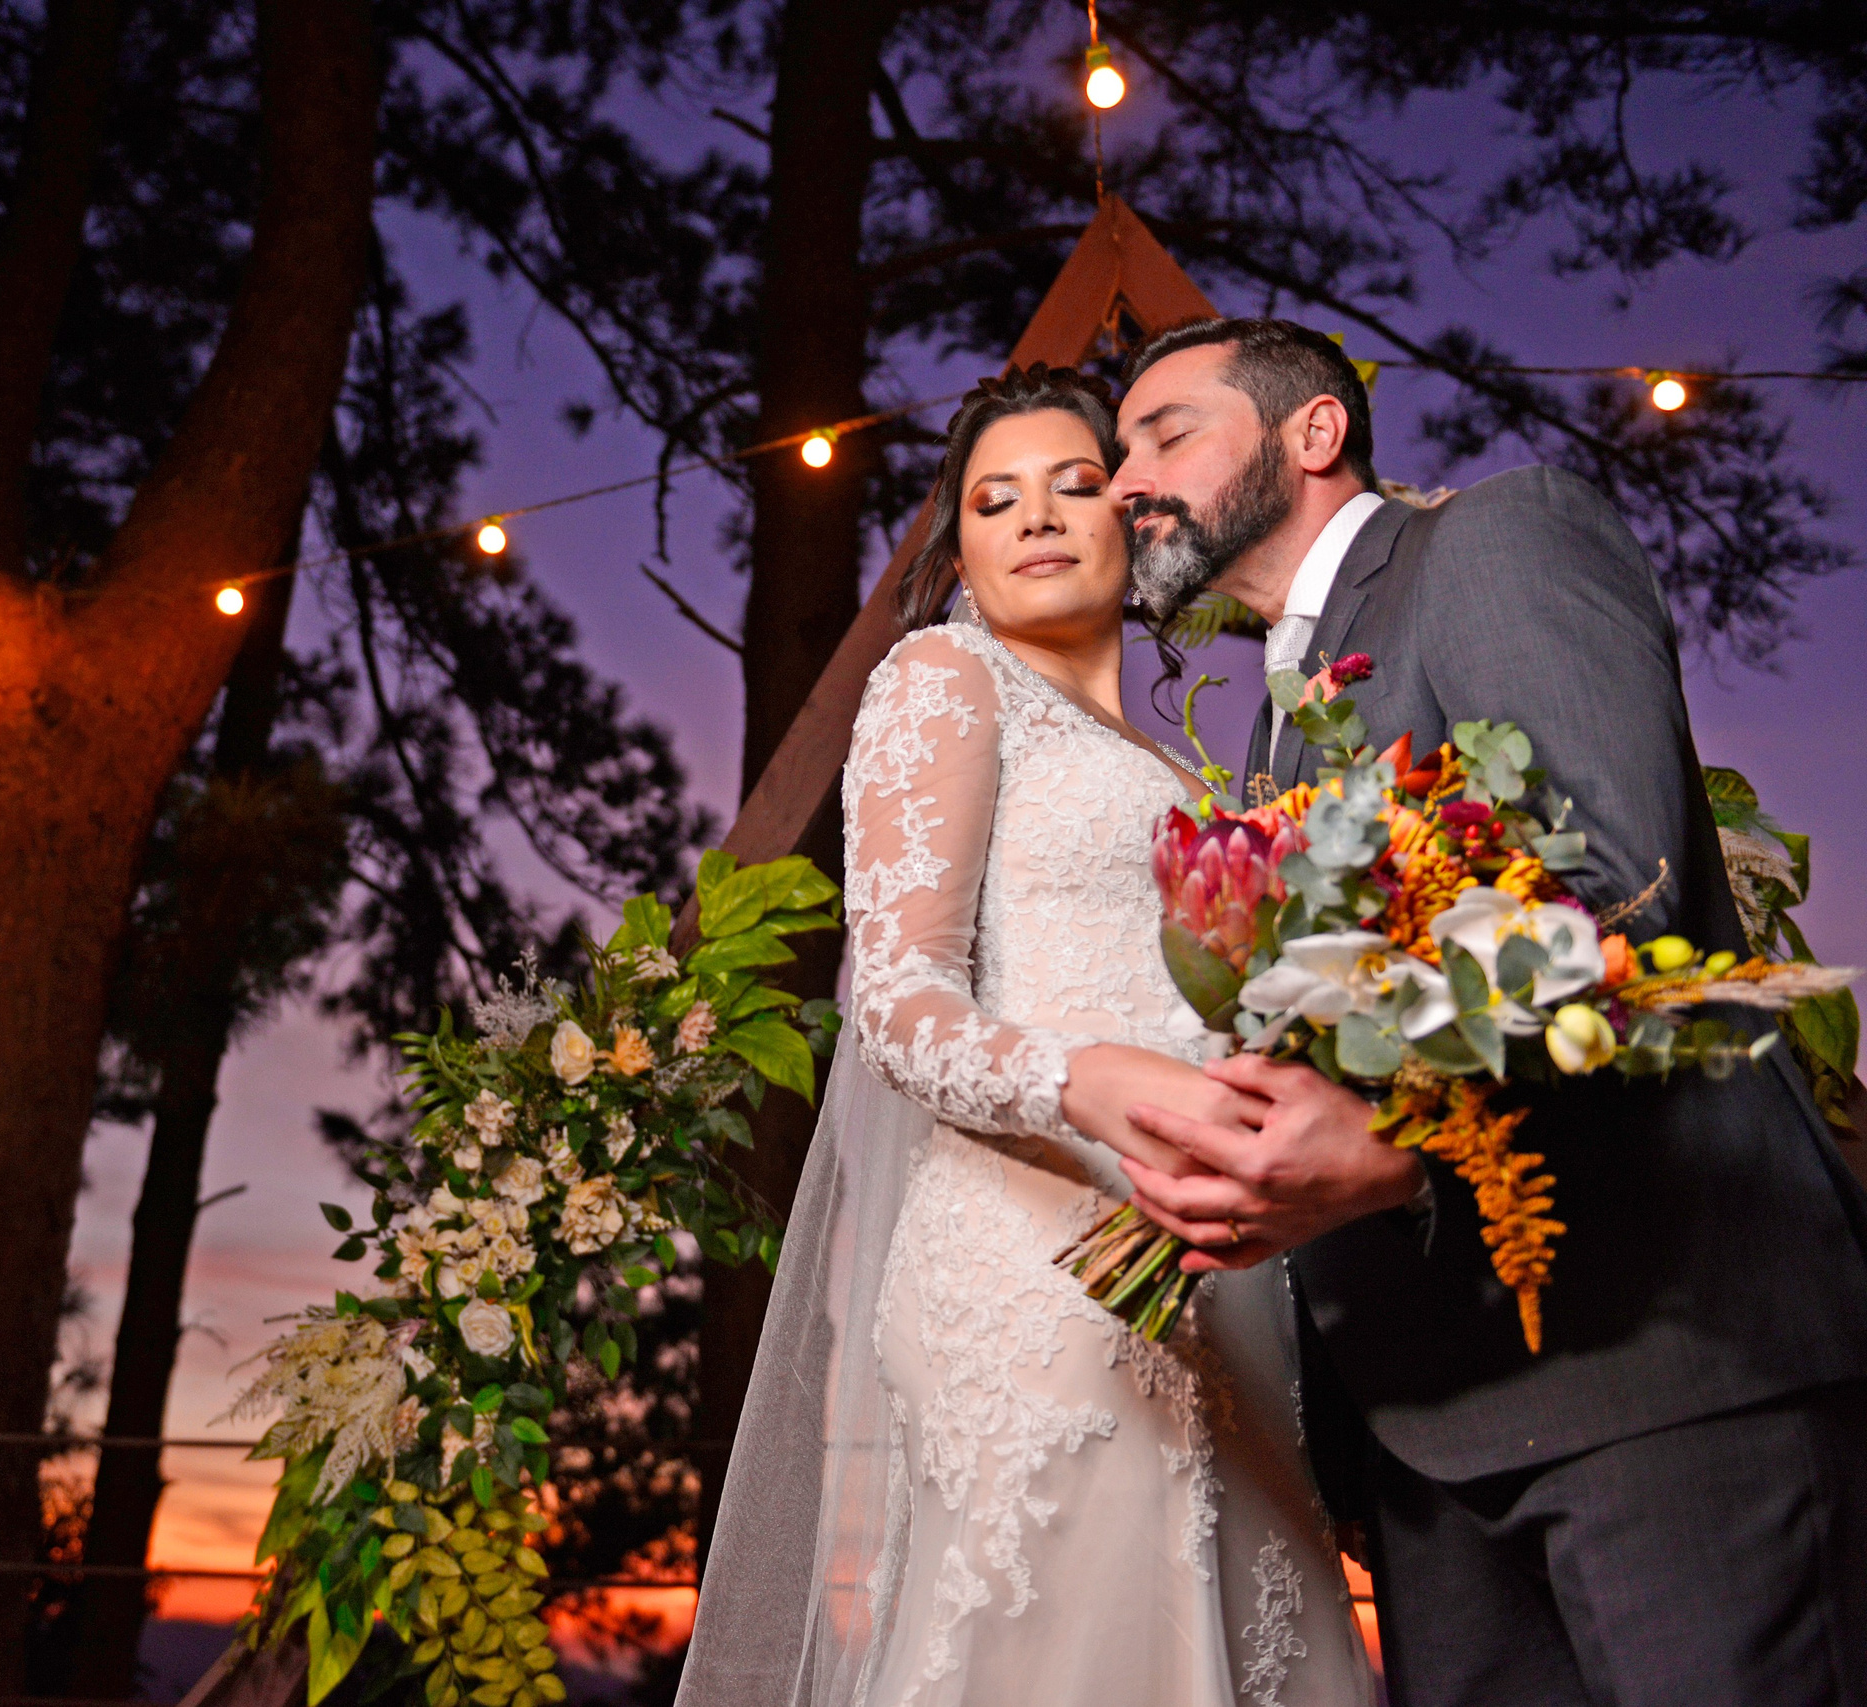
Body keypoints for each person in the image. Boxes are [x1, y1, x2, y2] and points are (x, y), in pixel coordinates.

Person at [1107, 317, 1867, 1706]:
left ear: (1313, 432)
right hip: (1427, 1433)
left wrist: (1384, 1143)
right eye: (1115, 454)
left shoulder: (1494, 539)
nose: (1120, 484)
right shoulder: (1278, 721)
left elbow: (1615, 886)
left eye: (1165, 434)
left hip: (1657, 1365)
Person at [679, 366, 1373, 1707]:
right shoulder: (946, 675)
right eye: (995, 499)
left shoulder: (1199, 770)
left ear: (1133, 520)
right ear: (962, 547)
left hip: (1213, 1259)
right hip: (1033, 1260)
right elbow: (893, 1000)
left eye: (1075, 484)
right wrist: (1084, 1077)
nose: (1038, 516)